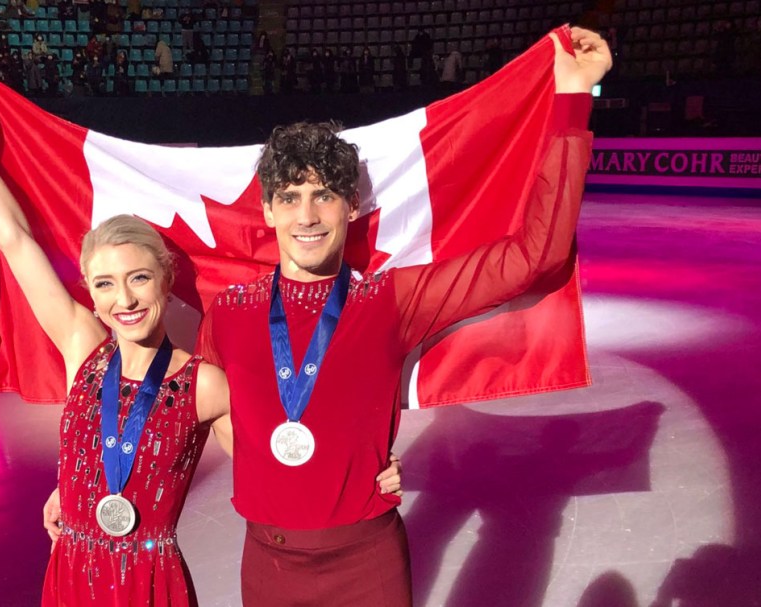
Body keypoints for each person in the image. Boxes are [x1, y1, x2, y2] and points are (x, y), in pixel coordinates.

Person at [0, 72, 402, 606]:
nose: (125, 300)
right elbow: (14, 237)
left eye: (138, 279)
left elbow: (283, 438)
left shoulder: (202, 383)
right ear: (89, 292)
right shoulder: (81, 347)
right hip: (71, 575)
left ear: (164, 279)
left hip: (151, 582)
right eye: (106, 284)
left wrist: (371, 465)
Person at [195, 27, 611, 606]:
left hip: (368, 563)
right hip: (269, 564)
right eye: (289, 197)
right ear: (267, 209)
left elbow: (531, 257)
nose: (306, 215)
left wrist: (572, 97)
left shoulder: (390, 300)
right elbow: (192, 415)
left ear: (352, 206)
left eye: (324, 195)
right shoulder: (231, 312)